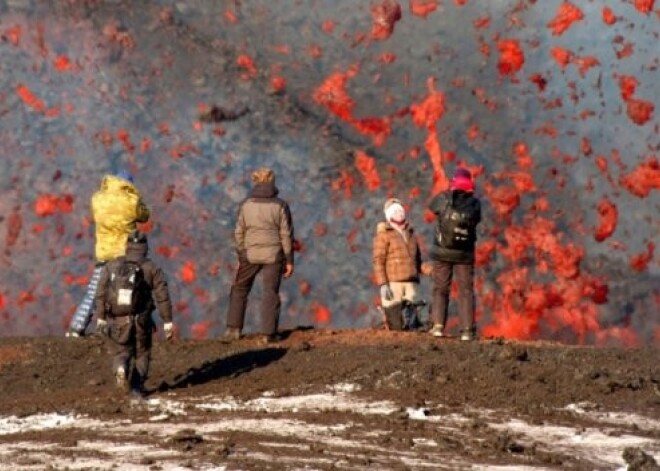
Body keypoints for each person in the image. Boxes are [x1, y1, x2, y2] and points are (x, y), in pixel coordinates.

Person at [67, 170, 150, 337]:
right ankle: (124, 331)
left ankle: (76, 328)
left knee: (95, 292)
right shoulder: (132, 201)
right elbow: (145, 216)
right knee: (126, 293)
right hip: (125, 256)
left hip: (104, 254)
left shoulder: (97, 199)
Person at [94, 231, 174, 397]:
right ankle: (137, 388)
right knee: (142, 353)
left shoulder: (112, 266)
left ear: (127, 246)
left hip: (119, 320)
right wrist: (167, 321)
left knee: (121, 351)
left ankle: (121, 368)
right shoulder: (152, 268)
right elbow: (162, 296)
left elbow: (100, 292)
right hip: (142, 321)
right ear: (145, 247)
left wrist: (100, 317)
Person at [224, 167, 294, 344]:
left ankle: (233, 329)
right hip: (273, 254)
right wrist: (289, 260)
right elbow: (286, 235)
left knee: (239, 289)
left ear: (255, 182)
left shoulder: (246, 205)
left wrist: (241, 255)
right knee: (270, 292)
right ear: (272, 182)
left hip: (250, 254)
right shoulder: (280, 205)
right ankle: (268, 334)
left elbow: (239, 233)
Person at [428, 167, 482, 341]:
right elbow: (477, 220)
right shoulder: (475, 203)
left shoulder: (443, 198)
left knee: (441, 288)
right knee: (466, 290)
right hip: (464, 254)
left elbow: (432, 207)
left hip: (442, 251)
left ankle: (437, 326)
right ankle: (467, 330)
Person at [373, 198, 429, 330]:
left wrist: (432, 270)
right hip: (393, 285)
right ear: (389, 215)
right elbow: (378, 261)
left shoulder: (411, 235)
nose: (399, 213)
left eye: (401, 210)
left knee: (413, 323)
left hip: (411, 285)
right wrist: (383, 284)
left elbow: (418, 262)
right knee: (395, 324)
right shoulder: (383, 235)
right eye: (395, 211)